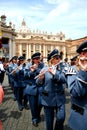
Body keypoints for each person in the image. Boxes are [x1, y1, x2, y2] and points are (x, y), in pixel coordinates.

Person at [36, 49, 66, 130]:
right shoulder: (45, 69)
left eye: (59, 57)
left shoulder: (62, 68)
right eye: (56, 58)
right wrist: (41, 79)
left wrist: (54, 73)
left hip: (60, 98)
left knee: (61, 118)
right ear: (51, 60)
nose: (59, 59)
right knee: (49, 122)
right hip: (48, 99)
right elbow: (38, 83)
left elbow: (64, 80)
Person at [66, 40, 87, 130]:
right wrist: (83, 72)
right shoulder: (73, 70)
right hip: (82, 117)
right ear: (82, 55)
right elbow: (75, 93)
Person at [23, 52, 44, 127]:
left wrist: (37, 69)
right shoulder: (28, 65)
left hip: (40, 88)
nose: (38, 60)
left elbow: (43, 73)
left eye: (39, 58)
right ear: (33, 60)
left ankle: (37, 115)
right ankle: (34, 119)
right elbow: (25, 76)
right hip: (31, 88)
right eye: (36, 59)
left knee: (40, 104)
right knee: (33, 105)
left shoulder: (42, 65)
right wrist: (31, 71)